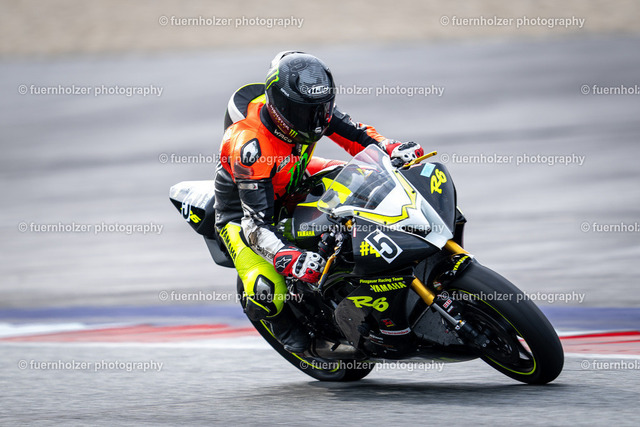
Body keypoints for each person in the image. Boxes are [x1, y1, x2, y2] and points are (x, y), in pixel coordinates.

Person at [214, 51, 424, 353]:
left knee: (364, 178)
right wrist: (288, 257)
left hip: (292, 173)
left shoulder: (312, 107)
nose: (315, 120)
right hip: (242, 213)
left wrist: (390, 148)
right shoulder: (250, 145)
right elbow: (255, 226)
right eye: (303, 112)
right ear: (278, 106)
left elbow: (357, 136)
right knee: (265, 290)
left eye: (321, 109)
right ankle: (284, 327)